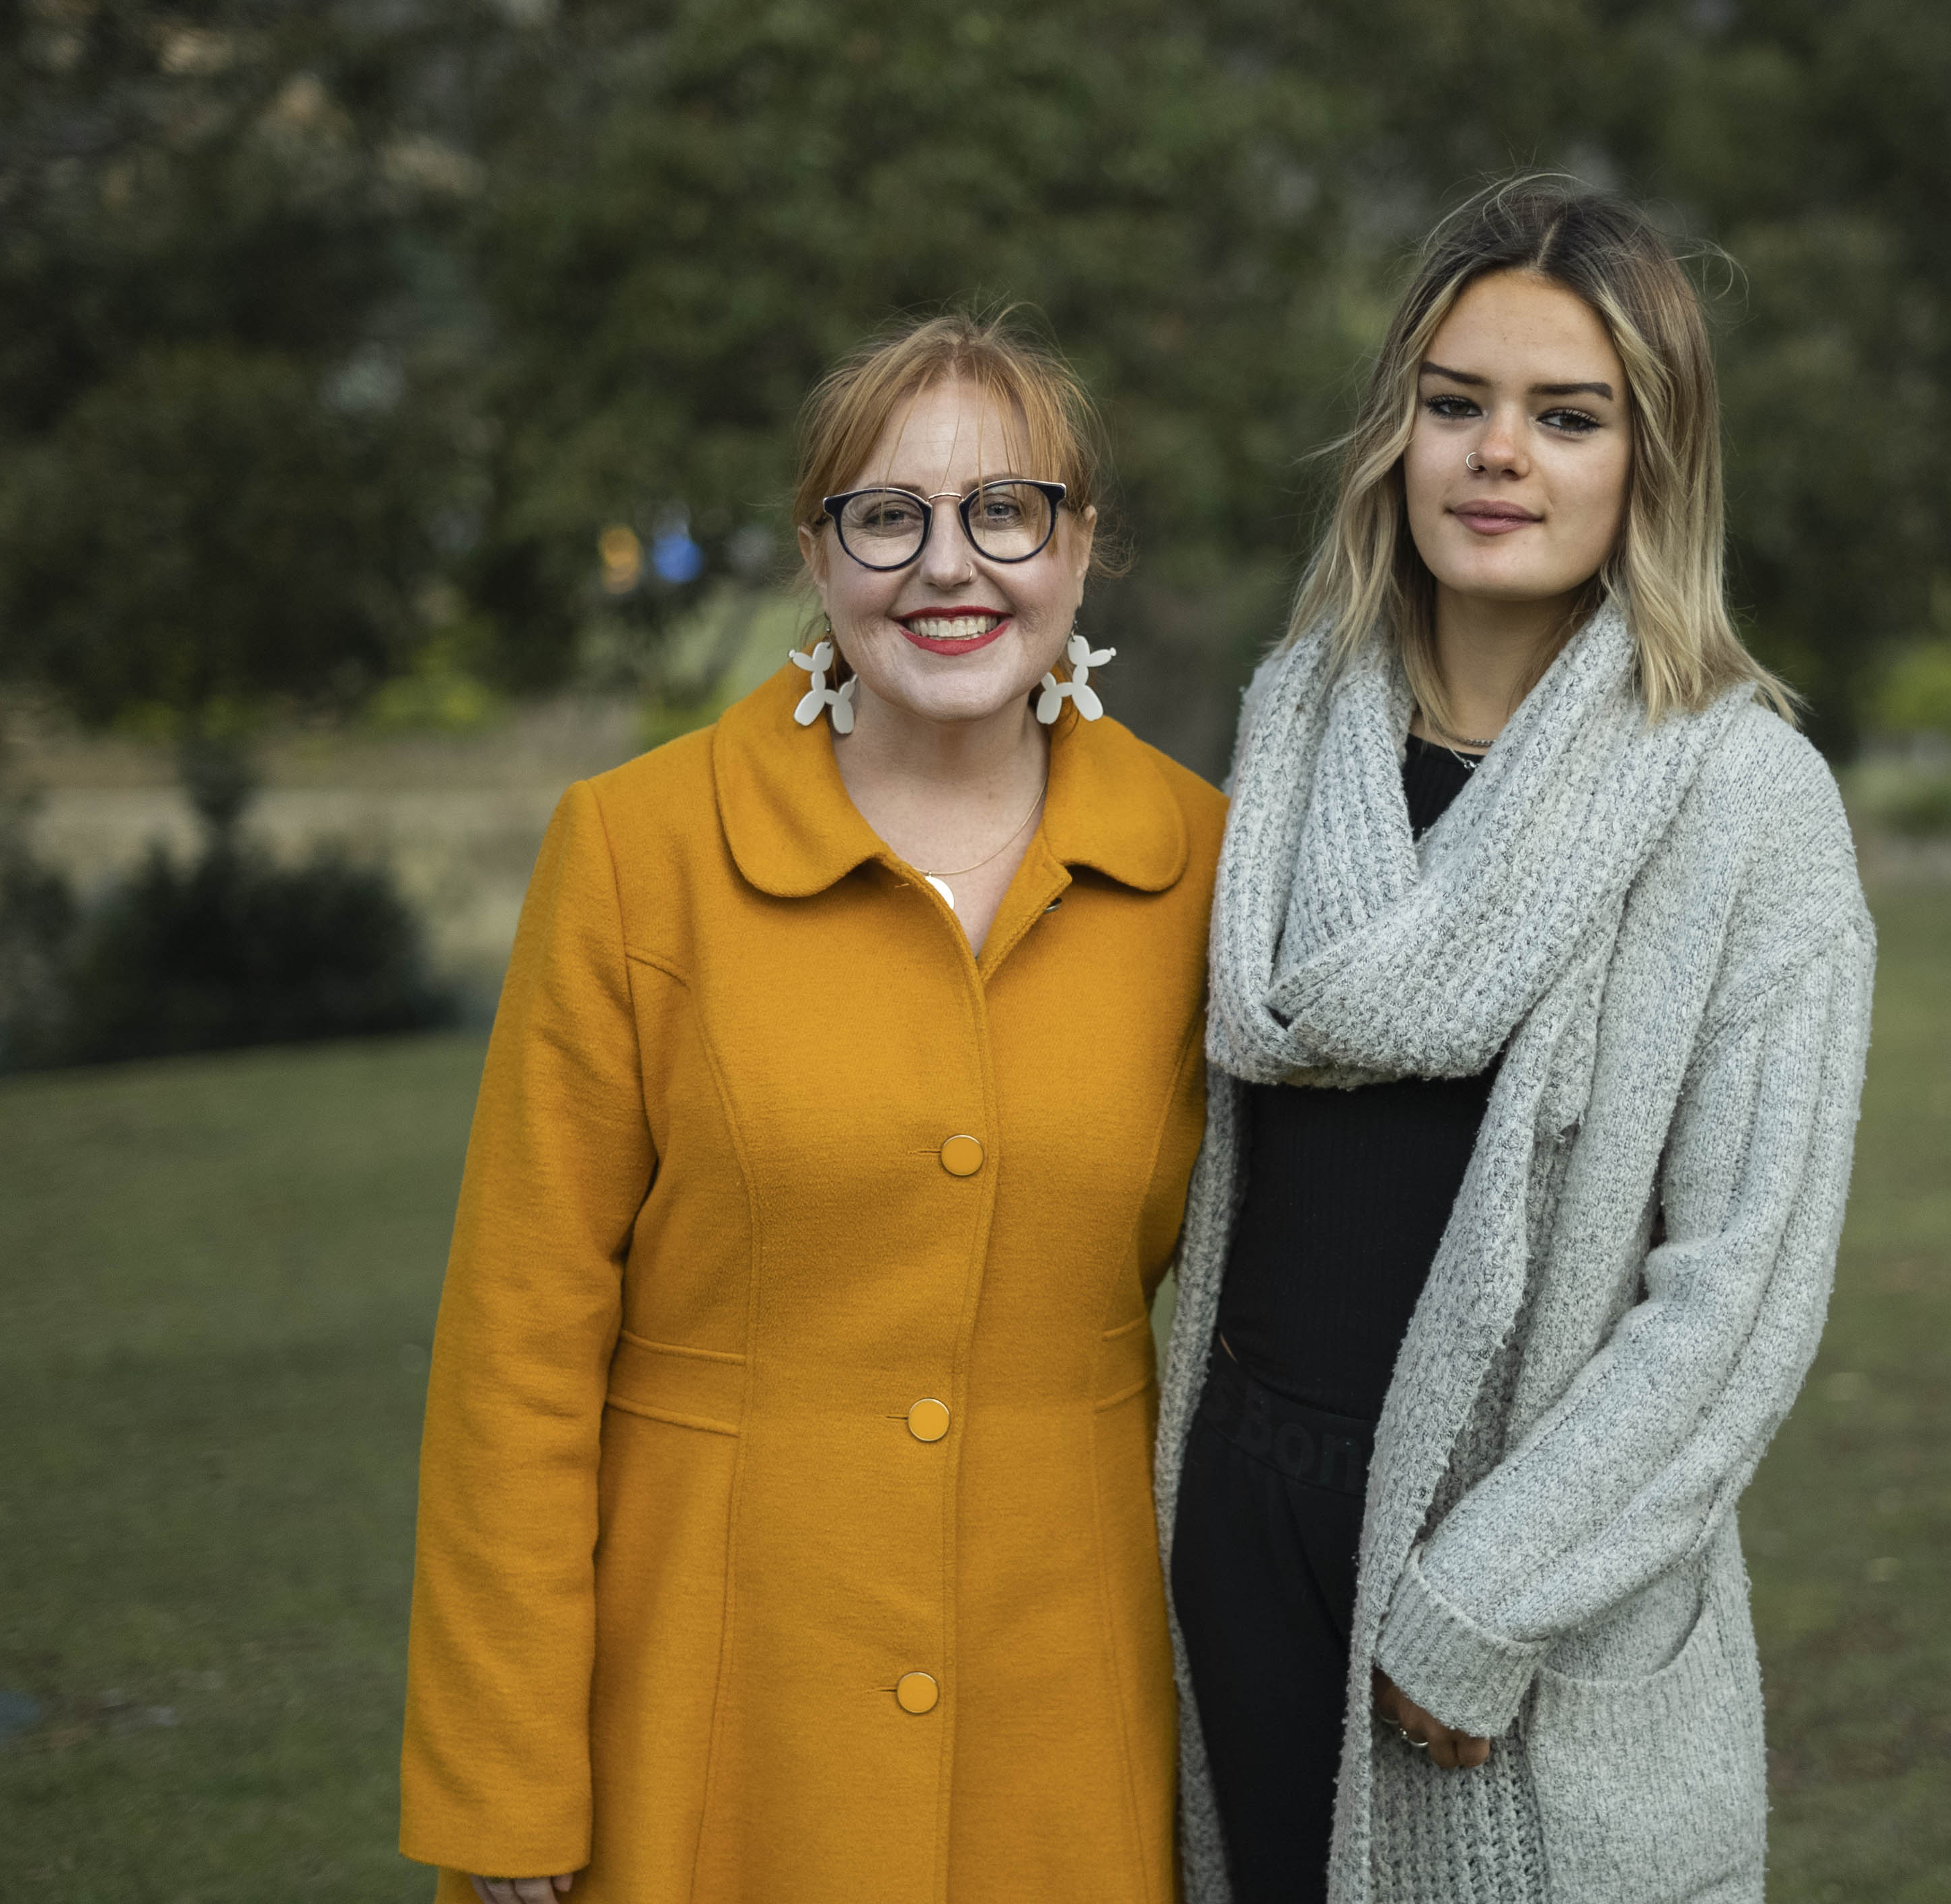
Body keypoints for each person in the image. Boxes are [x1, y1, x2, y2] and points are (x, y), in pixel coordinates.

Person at [401, 312, 1225, 1904]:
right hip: (708, 1713)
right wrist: (504, 1781)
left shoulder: (1206, 867)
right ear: (816, 554)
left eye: (1005, 510)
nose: (948, 566)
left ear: (1080, 547)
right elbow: (517, 1350)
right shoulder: (633, 851)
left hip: (1065, 1719)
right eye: (886, 516)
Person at [1158, 178, 1876, 1903]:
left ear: (1650, 459)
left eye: (1566, 417)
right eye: (1454, 403)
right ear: (1393, 429)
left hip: (1504, 1578)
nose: (1500, 456)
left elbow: (1739, 1293)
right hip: (1241, 1518)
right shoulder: (1297, 716)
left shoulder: (1734, 798)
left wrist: (1489, 1596)